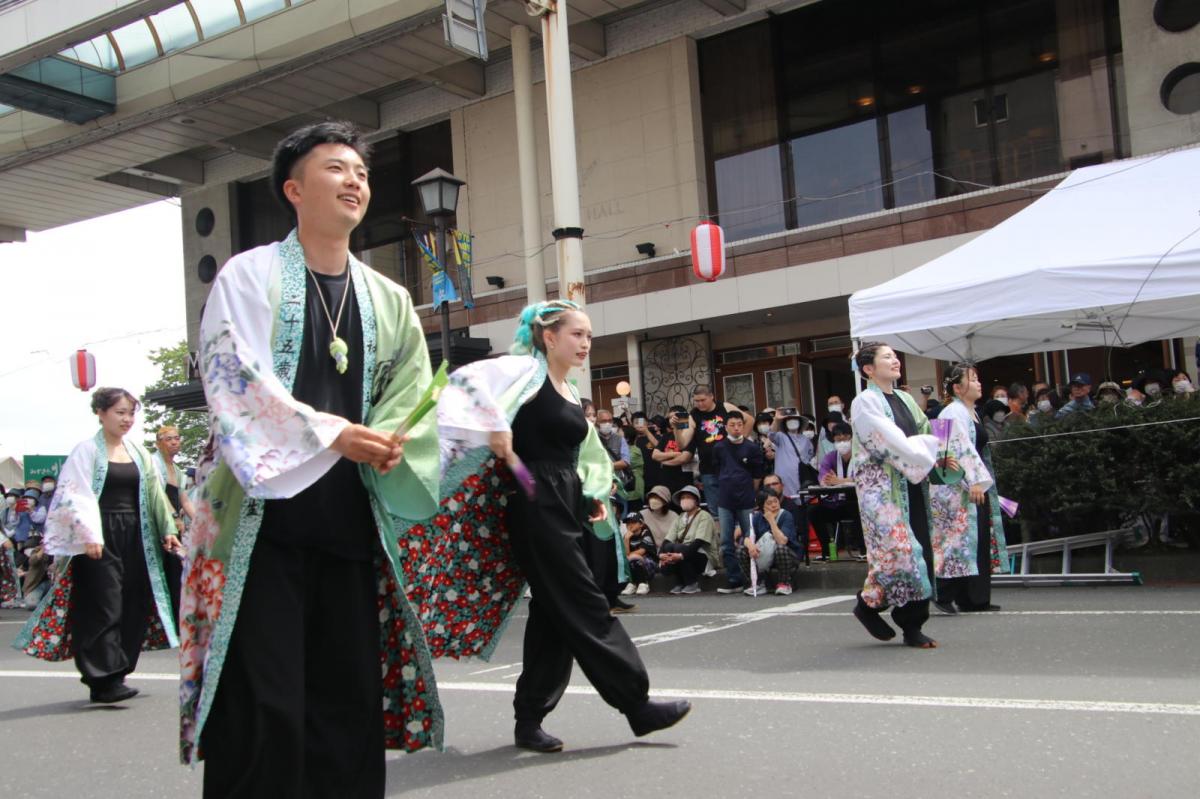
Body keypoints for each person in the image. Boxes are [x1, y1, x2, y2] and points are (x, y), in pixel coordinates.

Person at [178, 122, 447, 793]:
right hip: (260, 524)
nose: (354, 179)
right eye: (335, 168)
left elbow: (410, 392)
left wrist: (390, 440)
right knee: (263, 702)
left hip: (348, 523)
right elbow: (234, 378)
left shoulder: (387, 298)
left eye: (360, 169)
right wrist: (335, 432)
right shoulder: (251, 275)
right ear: (294, 189)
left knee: (346, 701)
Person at [436, 298, 690, 753]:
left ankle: (529, 718)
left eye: (590, 336)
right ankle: (637, 704)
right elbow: (460, 382)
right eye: (578, 334)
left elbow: (582, 452)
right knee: (584, 601)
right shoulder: (519, 373)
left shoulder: (570, 390)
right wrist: (496, 429)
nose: (586, 343)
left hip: (564, 500)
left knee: (554, 615)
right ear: (549, 336)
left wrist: (590, 493)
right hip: (533, 500)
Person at [14, 387, 181, 703]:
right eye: (120, 412)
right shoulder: (86, 451)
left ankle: (117, 673)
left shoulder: (138, 452)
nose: (127, 419)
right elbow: (74, 495)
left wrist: (167, 528)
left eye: (131, 413)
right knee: (104, 605)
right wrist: (89, 535)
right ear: (101, 414)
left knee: (135, 602)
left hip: (137, 536)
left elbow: (155, 493)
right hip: (98, 538)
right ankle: (101, 679)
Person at [848, 342, 945, 648]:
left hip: (911, 482)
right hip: (882, 492)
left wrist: (938, 452)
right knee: (899, 554)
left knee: (918, 554)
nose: (895, 361)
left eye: (895, 356)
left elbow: (924, 429)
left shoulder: (904, 397)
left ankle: (884, 611)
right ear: (868, 368)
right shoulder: (864, 402)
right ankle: (883, 612)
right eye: (886, 357)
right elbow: (888, 441)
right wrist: (926, 452)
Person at [929, 364, 1002, 615]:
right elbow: (951, 450)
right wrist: (973, 481)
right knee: (955, 541)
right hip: (954, 488)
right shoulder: (949, 412)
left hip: (972, 484)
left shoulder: (972, 412)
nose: (979, 383)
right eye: (972, 379)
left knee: (975, 540)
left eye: (978, 378)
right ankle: (944, 591)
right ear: (958, 387)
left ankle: (974, 598)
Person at [711, 413, 763, 594]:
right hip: (725, 500)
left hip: (746, 499)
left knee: (750, 539)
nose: (736, 428)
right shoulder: (719, 447)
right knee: (726, 541)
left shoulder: (751, 448)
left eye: (739, 424)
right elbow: (717, 471)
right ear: (725, 427)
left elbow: (757, 475)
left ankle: (754, 578)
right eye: (732, 425)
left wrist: (753, 493)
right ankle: (734, 579)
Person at [151, 425, 194, 620]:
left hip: (175, 527)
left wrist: (201, 521)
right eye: (169, 439)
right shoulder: (153, 463)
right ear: (158, 443)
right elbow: (159, 495)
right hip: (158, 524)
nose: (174, 442)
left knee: (177, 571)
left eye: (177, 438)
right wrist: (175, 517)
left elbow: (184, 499)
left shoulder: (178, 470)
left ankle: (177, 621)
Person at [812, 422, 865, 561]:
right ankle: (826, 552)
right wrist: (831, 480)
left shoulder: (861, 455)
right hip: (837, 503)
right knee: (813, 512)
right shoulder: (830, 457)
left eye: (845, 438)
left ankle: (864, 550)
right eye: (838, 439)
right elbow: (823, 478)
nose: (842, 442)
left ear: (852, 438)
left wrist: (840, 481)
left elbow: (863, 478)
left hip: (858, 503)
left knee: (857, 510)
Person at [659, 485, 718, 594]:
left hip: (703, 556)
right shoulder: (680, 517)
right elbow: (668, 539)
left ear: (696, 501)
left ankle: (692, 583)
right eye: (682, 498)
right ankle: (680, 583)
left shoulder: (704, 516)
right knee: (669, 547)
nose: (684, 500)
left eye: (688, 497)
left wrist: (681, 555)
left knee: (678, 549)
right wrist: (663, 555)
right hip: (684, 552)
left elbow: (699, 542)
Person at [740, 490, 799, 596]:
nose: (774, 505)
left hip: (787, 555)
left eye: (775, 501)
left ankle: (784, 583)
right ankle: (757, 583)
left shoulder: (786, 515)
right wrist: (751, 547)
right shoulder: (757, 517)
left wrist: (772, 520)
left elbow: (782, 541)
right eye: (769, 503)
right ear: (762, 506)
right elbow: (746, 538)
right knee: (741, 550)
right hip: (765, 554)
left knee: (780, 548)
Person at [760, 473, 809, 564]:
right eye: (767, 485)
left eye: (775, 484)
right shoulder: (760, 509)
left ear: (782, 486)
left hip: (787, 550)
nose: (771, 487)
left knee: (780, 548)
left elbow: (795, 536)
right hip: (766, 550)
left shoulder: (792, 508)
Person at [769, 408, 815, 502]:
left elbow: (809, 457)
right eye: (789, 420)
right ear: (785, 423)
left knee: (802, 507)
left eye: (794, 419)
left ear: (799, 422)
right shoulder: (781, 436)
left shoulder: (806, 440)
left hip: (801, 479)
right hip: (784, 481)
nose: (792, 421)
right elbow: (771, 434)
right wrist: (776, 419)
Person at [621, 512, 658, 596]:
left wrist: (629, 556)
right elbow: (625, 553)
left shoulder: (645, 533)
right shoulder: (627, 536)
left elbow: (641, 551)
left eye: (633, 522)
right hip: (634, 561)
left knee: (634, 559)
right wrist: (626, 539)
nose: (630, 525)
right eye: (628, 523)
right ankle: (632, 584)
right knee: (629, 560)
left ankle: (644, 583)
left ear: (641, 524)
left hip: (650, 564)